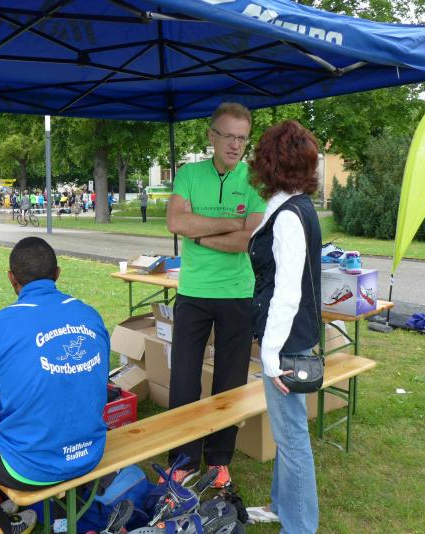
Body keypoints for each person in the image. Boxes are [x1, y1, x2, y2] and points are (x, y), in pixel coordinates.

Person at [0, 237, 109, 530]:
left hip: (29, 467)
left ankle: (0, 523)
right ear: (57, 274)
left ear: (11, 278)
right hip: (90, 452)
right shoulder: (90, 315)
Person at [164, 102, 266, 488]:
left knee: (230, 382)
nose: (236, 145)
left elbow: (249, 240)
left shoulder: (255, 180)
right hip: (193, 292)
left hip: (237, 294)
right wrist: (231, 223)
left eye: (243, 138)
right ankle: (183, 459)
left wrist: (199, 233)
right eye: (228, 136)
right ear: (211, 136)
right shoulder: (189, 174)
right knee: (183, 381)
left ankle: (219, 461)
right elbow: (175, 221)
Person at [248, 120, 322, 532]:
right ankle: (281, 506)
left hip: (287, 342)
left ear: (270, 163)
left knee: (292, 439)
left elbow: (288, 292)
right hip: (292, 338)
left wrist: (271, 354)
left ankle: (300, 526)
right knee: (286, 433)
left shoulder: (289, 215)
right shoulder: (294, 206)